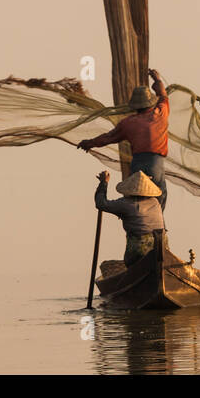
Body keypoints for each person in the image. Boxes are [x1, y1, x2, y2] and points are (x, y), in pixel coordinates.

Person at [77, 68, 170, 210]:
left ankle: (136, 223)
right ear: (150, 102)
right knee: (159, 196)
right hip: (155, 163)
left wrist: (89, 143)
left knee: (135, 196)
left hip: (138, 163)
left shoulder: (128, 123)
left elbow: (108, 138)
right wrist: (157, 79)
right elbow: (163, 95)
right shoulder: (161, 113)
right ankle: (157, 227)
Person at [94, 170, 164, 265]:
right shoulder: (155, 202)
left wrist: (103, 183)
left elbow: (101, 203)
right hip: (162, 249)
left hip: (138, 252)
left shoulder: (126, 204)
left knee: (130, 262)